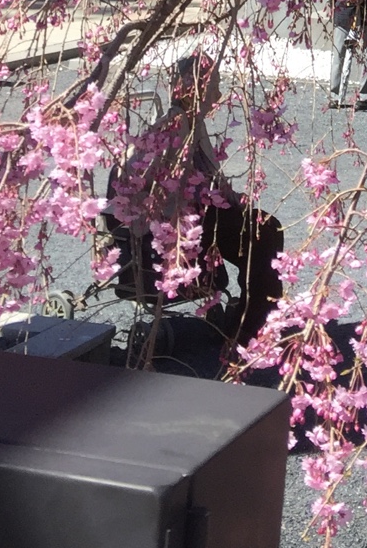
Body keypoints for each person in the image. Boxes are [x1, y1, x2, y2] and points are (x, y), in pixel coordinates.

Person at [119, 55, 284, 352]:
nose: (218, 96)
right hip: (183, 223)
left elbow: (209, 174)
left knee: (266, 227)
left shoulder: (193, 123)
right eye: (213, 87)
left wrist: (234, 200)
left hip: (203, 213)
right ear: (191, 89)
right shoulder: (171, 127)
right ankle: (249, 324)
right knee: (263, 234)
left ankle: (255, 314)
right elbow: (136, 180)